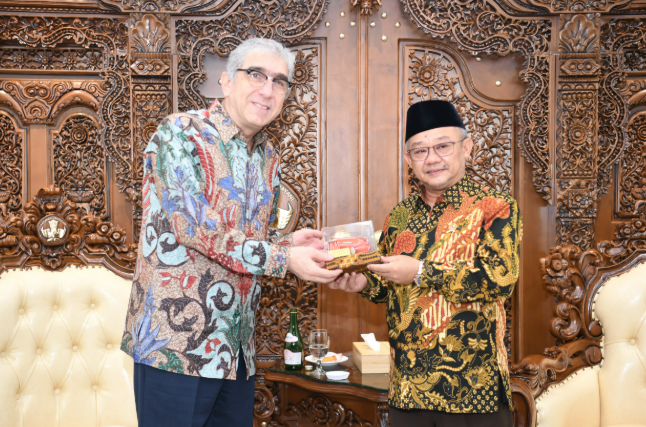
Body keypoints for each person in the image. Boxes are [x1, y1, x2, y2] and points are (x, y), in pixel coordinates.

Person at [121, 38, 341, 427]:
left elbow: (240, 240)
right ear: (226, 82)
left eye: (279, 81)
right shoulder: (180, 133)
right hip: (176, 346)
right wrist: (283, 258)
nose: (267, 89)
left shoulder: (266, 156)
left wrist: (288, 243)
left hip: (236, 352)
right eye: (256, 74)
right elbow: (195, 228)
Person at [330, 100, 522, 427]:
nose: (432, 158)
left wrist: (420, 272)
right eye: (420, 151)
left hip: (474, 393)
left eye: (443, 146)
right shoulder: (399, 216)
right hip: (409, 391)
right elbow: (392, 286)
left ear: (467, 148)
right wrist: (364, 283)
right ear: (409, 159)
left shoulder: (495, 207)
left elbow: (499, 279)